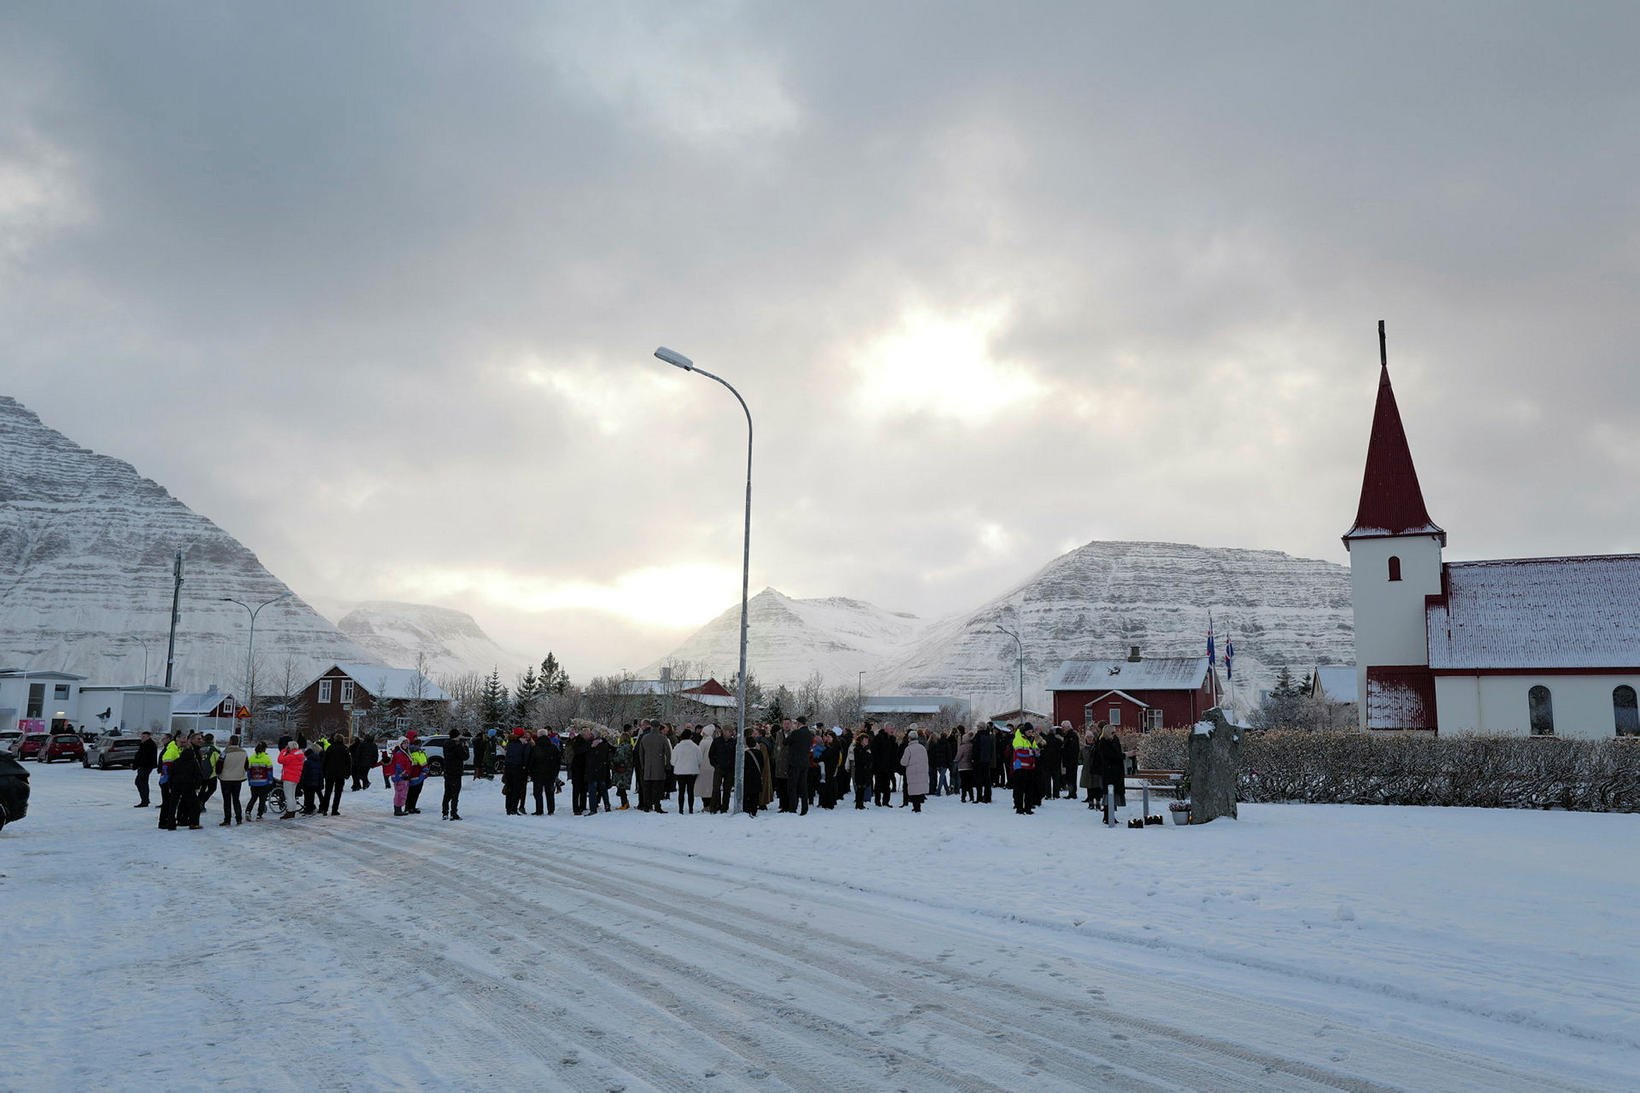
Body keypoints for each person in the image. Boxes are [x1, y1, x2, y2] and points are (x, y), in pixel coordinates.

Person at [169, 733, 208, 829]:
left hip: (176, 784)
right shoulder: (193, 762)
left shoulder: (176, 762)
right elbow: (198, 774)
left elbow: (171, 773)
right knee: (195, 805)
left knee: (173, 805)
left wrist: (171, 785)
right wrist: (197, 785)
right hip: (188, 785)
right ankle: (194, 823)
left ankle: (171, 824)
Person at [637, 721, 672, 813]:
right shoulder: (662, 738)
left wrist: (643, 765)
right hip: (659, 766)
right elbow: (668, 752)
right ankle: (657, 806)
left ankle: (647, 805)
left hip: (647, 766)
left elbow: (641, 753)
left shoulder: (645, 738)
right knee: (657, 788)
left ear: (651, 726)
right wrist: (667, 765)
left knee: (647, 787)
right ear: (659, 727)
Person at [528, 727, 561, 816]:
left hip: (538, 773)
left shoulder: (535, 748)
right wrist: (555, 772)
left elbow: (531, 761)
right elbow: (558, 761)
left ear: (538, 736)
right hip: (550, 773)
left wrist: (531, 772)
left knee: (538, 793)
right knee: (550, 792)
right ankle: (551, 810)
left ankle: (539, 810)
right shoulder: (553, 747)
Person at [783, 718, 813, 815]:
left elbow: (785, 742)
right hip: (805, 762)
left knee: (792, 786)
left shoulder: (796, 733)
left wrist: (789, 734)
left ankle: (793, 808)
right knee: (803, 786)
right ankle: (805, 808)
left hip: (794, 763)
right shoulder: (809, 734)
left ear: (798, 723)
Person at [217, 735, 248, 826]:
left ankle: (227, 820)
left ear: (230, 741)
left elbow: (219, 765)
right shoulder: (244, 752)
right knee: (236, 799)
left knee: (227, 800)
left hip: (225, 779)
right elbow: (246, 765)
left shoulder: (225, 752)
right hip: (238, 778)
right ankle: (239, 818)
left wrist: (218, 773)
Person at [669, 727, 701, 814]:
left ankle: (681, 809)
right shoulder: (695, 747)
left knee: (681, 791)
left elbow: (672, 761)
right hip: (692, 771)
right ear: (691, 736)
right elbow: (700, 760)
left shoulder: (678, 747)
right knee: (691, 791)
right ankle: (691, 809)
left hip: (680, 772)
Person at [1011, 724, 1039, 815]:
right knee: (1020, 789)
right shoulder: (1018, 739)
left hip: (1030, 767)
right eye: (1028, 731)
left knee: (1029, 789)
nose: (1030, 733)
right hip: (1020, 767)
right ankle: (1019, 808)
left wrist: (1037, 751)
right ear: (1024, 731)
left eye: (1031, 731)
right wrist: (1032, 752)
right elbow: (1019, 752)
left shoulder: (1031, 739)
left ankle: (1028, 807)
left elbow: (1035, 749)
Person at [441, 729, 468, 820]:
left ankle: (445, 813)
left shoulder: (446, 744)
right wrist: (466, 748)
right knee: (455, 794)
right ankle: (453, 813)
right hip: (456, 772)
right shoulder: (457, 746)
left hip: (448, 771)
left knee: (447, 793)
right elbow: (465, 757)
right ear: (456, 736)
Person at [900, 729, 930, 812]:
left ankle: (916, 807)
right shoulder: (922, 748)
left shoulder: (908, 749)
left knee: (914, 790)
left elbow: (904, 762)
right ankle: (918, 806)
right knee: (919, 789)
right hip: (922, 771)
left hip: (912, 772)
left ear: (909, 738)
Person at [503, 727, 530, 815]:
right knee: (516, 789)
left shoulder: (509, 743)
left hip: (508, 768)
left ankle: (508, 808)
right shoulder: (523, 744)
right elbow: (525, 757)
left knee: (509, 788)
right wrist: (525, 766)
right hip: (518, 768)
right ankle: (514, 808)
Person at [322, 731, 351, 815]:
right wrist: (348, 773)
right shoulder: (345, 749)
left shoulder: (330, 748)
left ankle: (325, 809)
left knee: (328, 792)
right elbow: (348, 762)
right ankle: (334, 810)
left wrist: (324, 771)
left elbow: (325, 761)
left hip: (329, 773)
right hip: (340, 774)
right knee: (338, 793)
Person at [276, 740, 305, 819]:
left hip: (288, 778)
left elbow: (280, 760)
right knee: (292, 796)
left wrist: (283, 751)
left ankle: (289, 812)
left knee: (288, 796)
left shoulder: (291, 756)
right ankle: (292, 811)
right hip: (295, 778)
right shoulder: (299, 755)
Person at [870, 722, 897, 807]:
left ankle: (886, 802)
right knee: (878, 784)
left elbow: (893, 753)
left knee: (887, 785)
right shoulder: (878, 737)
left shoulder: (892, 739)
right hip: (879, 766)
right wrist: (877, 764)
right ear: (885, 729)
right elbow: (874, 752)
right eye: (890, 728)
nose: (892, 730)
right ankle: (877, 801)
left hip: (888, 766)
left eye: (893, 728)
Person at [246, 742, 276, 819]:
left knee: (253, 798)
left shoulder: (251, 758)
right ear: (264, 749)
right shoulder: (266, 758)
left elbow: (248, 772)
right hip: (264, 782)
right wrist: (270, 781)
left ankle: (248, 811)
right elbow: (269, 771)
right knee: (262, 799)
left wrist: (249, 781)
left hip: (253, 782)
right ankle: (259, 815)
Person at [586, 732, 613, 815]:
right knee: (603, 789)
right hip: (602, 770)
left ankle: (593, 809)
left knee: (592, 791)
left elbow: (588, 756)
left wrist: (591, 747)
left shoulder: (591, 745)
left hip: (593, 770)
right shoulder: (605, 745)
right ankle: (607, 805)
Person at [569, 726, 592, 814]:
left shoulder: (585, 741)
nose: (590, 736)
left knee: (583, 788)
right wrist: (589, 746)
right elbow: (578, 751)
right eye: (588, 734)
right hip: (577, 768)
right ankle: (576, 808)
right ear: (584, 734)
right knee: (576, 789)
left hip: (584, 768)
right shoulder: (577, 741)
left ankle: (583, 805)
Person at [848, 730, 874, 809]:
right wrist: (867, 753)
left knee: (863, 787)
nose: (866, 741)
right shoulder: (857, 748)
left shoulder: (867, 748)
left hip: (866, 771)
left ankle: (861, 803)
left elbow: (870, 759)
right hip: (859, 770)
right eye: (865, 739)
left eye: (867, 740)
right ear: (861, 740)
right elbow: (860, 759)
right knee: (859, 787)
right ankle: (858, 804)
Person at [299, 738, 325, 814]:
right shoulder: (319, 759)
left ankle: (309, 808)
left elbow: (305, 773)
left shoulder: (308, 762)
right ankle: (322, 807)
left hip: (310, 780)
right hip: (317, 779)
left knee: (309, 795)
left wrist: (302, 781)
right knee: (318, 794)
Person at [133, 730, 157, 807]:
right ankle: (145, 800)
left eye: (144, 736)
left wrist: (138, 764)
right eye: (142, 736)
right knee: (140, 782)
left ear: (148, 737)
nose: (142, 738)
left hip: (146, 766)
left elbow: (144, 757)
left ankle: (145, 801)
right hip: (143, 766)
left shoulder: (149, 744)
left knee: (141, 782)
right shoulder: (144, 744)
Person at [972, 724, 995, 804]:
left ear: (980, 728)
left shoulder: (978, 736)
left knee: (979, 780)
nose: (977, 728)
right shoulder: (989, 736)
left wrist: (974, 759)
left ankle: (979, 797)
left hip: (979, 761)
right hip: (987, 761)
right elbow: (992, 749)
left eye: (978, 727)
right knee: (987, 780)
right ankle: (988, 797)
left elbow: (975, 749)